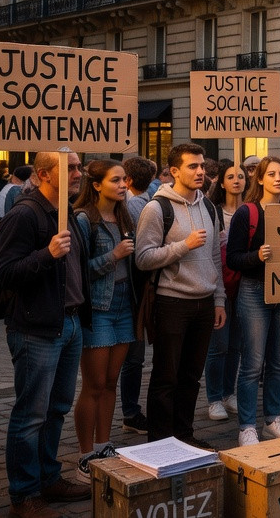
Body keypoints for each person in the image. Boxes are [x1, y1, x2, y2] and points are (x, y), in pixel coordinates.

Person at [0, 151, 92, 518]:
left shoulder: (66, 211)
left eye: (79, 166)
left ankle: (49, 478)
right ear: (43, 174)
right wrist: (47, 254)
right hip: (37, 328)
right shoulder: (25, 213)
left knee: (56, 409)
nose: (77, 173)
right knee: (30, 415)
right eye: (69, 168)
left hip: (67, 323)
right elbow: (5, 274)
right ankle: (23, 496)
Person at [135, 144, 226, 447]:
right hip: (171, 301)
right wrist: (183, 245)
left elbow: (215, 257)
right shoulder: (157, 207)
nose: (200, 171)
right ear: (174, 171)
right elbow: (144, 258)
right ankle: (161, 442)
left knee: (190, 377)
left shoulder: (209, 207)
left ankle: (184, 436)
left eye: (202, 166)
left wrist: (219, 300)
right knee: (166, 378)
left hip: (204, 302)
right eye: (192, 166)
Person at [71, 160, 137, 480]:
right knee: (94, 384)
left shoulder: (124, 215)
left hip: (125, 305)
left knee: (111, 382)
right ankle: (85, 453)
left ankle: (104, 443)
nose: (124, 185)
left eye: (125, 179)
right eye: (116, 180)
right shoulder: (85, 219)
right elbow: (79, 271)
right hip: (99, 307)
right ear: (97, 185)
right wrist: (115, 256)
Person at [227, 156, 280, 446]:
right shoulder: (247, 213)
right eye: (272, 174)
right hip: (255, 292)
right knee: (253, 364)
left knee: (279, 363)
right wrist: (257, 256)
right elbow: (232, 258)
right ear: (260, 179)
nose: (278, 179)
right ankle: (247, 426)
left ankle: (272, 419)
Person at [118, 156, 157, 437]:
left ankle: (131, 411)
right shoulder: (137, 204)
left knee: (134, 357)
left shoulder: (137, 203)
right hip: (131, 292)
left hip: (136, 289)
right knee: (132, 358)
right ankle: (130, 412)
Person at [203, 161, 245, 421]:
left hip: (244, 284)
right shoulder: (213, 211)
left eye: (241, 176)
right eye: (231, 176)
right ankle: (214, 398)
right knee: (218, 344)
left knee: (236, 345)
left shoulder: (251, 210)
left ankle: (229, 393)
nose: (237, 180)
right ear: (222, 182)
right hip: (218, 282)